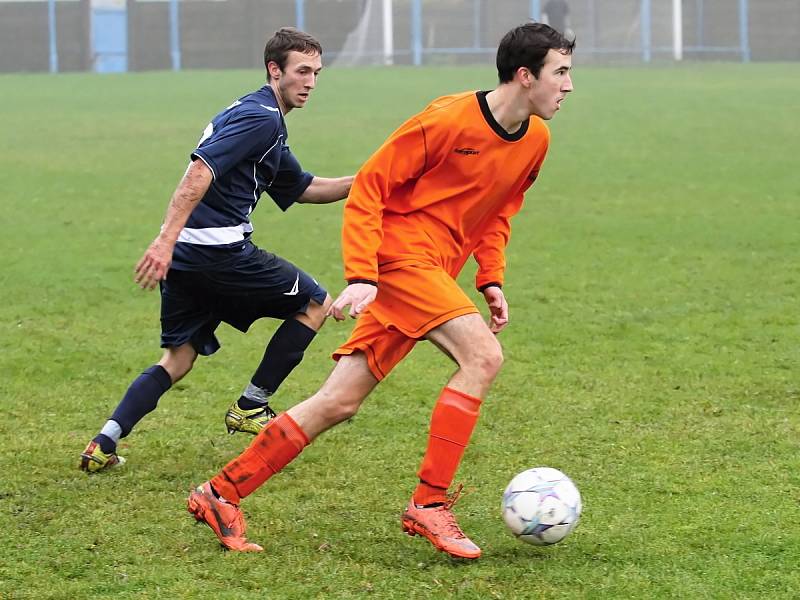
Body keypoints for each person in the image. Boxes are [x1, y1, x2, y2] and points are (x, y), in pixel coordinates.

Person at [187, 22, 575, 558]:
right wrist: (363, 275)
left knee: (338, 401)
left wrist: (490, 277)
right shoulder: (447, 119)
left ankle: (219, 492)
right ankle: (430, 504)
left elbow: (500, 210)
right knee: (482, 357)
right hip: (401, 258)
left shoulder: (536, 139)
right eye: (561, 72)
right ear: (526, 75)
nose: (568, 85)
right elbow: (371, 184)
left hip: (433, 269)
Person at [79, 28, 354, 473]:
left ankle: (104, 441)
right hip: (218, 253)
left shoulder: (260, 118)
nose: (311, 82)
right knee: (315, 303)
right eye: (302, 71)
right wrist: (162, 240)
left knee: (179, 357)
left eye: (317, 73)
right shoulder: (261, 118)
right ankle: (251, 405)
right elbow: (199, 171)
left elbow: (303, 188)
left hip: (188, 259)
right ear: (274, 70)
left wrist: (372, 181)